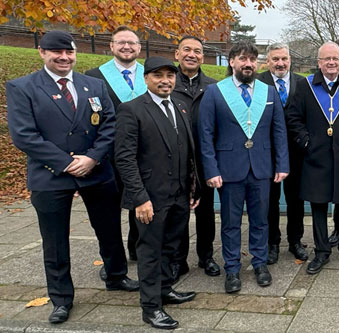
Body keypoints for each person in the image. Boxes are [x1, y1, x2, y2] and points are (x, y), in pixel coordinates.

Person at [6, 30, 138, 324]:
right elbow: (24, 136)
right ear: (42, 52)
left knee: (110, 231)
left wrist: (92, 157)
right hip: (50, 177)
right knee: (55, 241)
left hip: (97, 171)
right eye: (57, 53)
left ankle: (117, 276)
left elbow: (109, 124)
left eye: (69, 53)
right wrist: (66, 163)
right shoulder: (22, 87)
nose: (64, 58)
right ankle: (62, 298)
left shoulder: (93, 85)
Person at [111, 56, 199, 330]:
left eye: (170, 76)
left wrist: (193, 187)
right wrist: (140, 198)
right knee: (150, 251)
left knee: (171, 247)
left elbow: (187, 151)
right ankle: (151, 307)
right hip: (150, 198)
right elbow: (124, 159)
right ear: (146, 79)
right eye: (158, 75)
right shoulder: (132, 110)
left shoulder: (181, 106)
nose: (165, 81)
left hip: (179, 195)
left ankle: (164, 289)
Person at [198, 41, 289, 293]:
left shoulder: (268, 92)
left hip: (261, 167)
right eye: (242, 59)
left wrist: (282, 163)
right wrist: (211, 169)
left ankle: (260, 264)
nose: (248, 64)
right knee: (230, 222)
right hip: (228, 169)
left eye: (252, 59)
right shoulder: (215, 92)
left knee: (261, 221)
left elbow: (279, 131)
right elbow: (205, 134)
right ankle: (232, 269)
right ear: (231, 61)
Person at [286, 43, 339, 274]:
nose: (331, 63)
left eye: (335, 58)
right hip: (315, 158)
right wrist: (306, 142)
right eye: (326, 59)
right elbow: (293, 118)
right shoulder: (305, 87)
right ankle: (322, 251)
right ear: (319, 62)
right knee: (318, 206)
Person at [83, 26, 148, 263]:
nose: (127, 47)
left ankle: (137, 250)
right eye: (121, 42)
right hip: (109, 154)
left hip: (145, 154)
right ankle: (112, 261)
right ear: (111, 46)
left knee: (140, 205)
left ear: (139, 48)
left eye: (132, 43)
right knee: (109, 212)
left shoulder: (151, 74)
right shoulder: (94, 76)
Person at [170, 36, 221, 279]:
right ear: (177, 54)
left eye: (198, 51)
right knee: (178, 211)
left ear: (203, 57)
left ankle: (206, 256)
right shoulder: (167, 84)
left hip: (204, 158)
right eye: (187, 50)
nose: (192, 54)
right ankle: (178, 259)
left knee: (206, 212)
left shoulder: (213, 86)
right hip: (175, 159)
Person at [257, 43, 310, 265]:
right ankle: (272, 243)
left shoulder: (302, 82)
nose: (280, 63)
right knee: (269, 199)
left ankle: (295, 241)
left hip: (296, 152)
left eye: (284, 59)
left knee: (295, 198)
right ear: (268, 61)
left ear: (290, 60)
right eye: (276, 59)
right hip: (267, 151)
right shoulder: (258, 83)